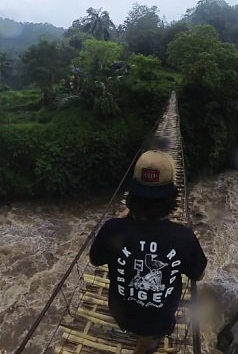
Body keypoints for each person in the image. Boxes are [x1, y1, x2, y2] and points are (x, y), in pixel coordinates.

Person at [89, 150, 208, 354]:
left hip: (122, 316)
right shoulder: (183, 238)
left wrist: (120, 220)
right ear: (171, 199)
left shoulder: (113, 229)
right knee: (153, 325)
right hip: (159, 322)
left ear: (132, 195)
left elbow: (95, 260)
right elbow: (198, 273)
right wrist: (190, 245)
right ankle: (146, 345)